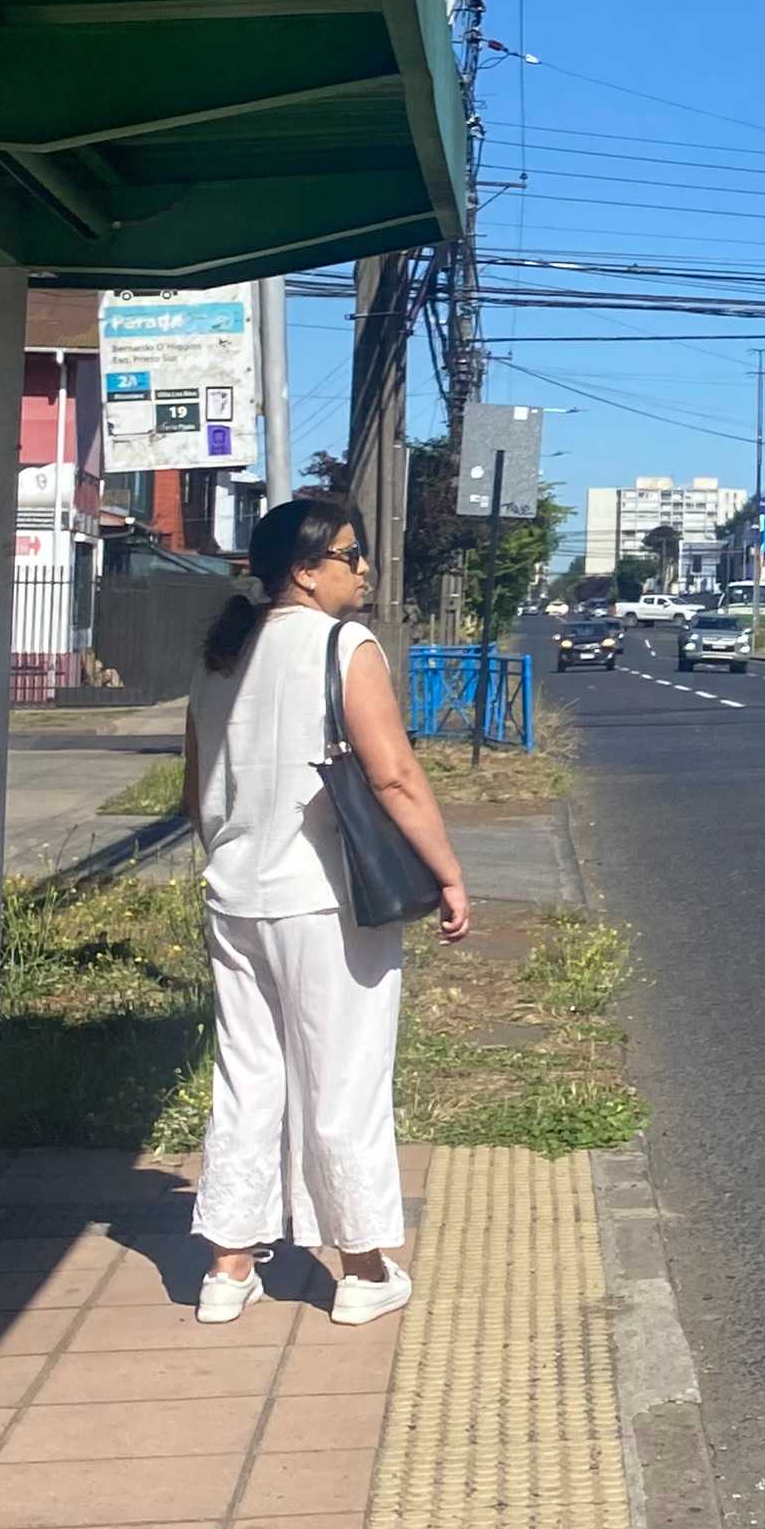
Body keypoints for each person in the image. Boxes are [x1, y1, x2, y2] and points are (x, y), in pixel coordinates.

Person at [180, 493, 470, 1327]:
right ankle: (363, 1269)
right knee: (342, 1077)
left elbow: (197, 789)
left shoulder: (222, 655)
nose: (364, 568)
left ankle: (228, 1269)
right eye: (350, 554)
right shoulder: (345, 646)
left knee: (248, 1078)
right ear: (306, 572)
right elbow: (394, 775)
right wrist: (448, 873)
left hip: (235, 893)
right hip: (322, 900)